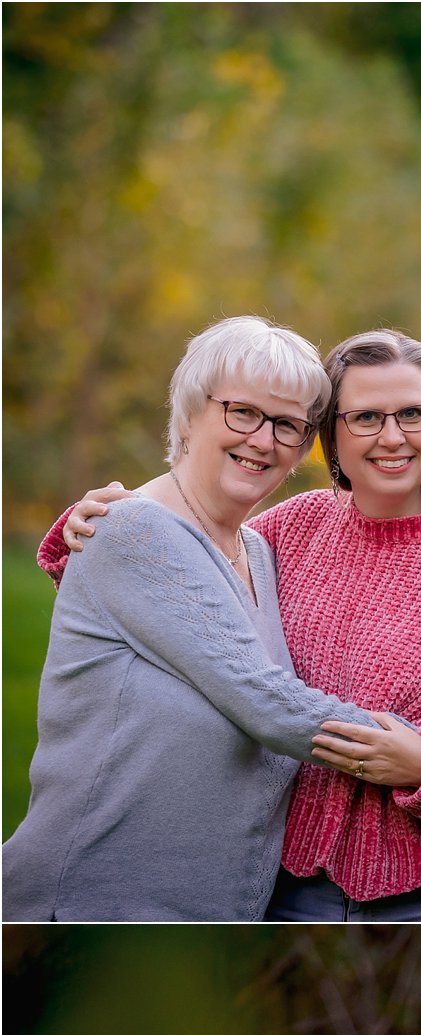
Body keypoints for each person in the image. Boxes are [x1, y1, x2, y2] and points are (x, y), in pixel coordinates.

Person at [43, 327, 421, 922]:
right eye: (366, 418)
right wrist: (100, 521)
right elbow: (180, 584)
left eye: (412, 414)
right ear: (331, 436)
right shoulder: (291, 532)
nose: (392, 436)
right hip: (282, 892)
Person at [3, 316, 399, 921]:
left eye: (289, 425)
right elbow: (266, 702)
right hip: (90, 902)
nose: (263, 440)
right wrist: (416, 751)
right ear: (190, 413)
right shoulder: (133, 529)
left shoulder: (258, 552)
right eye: (242, 412)